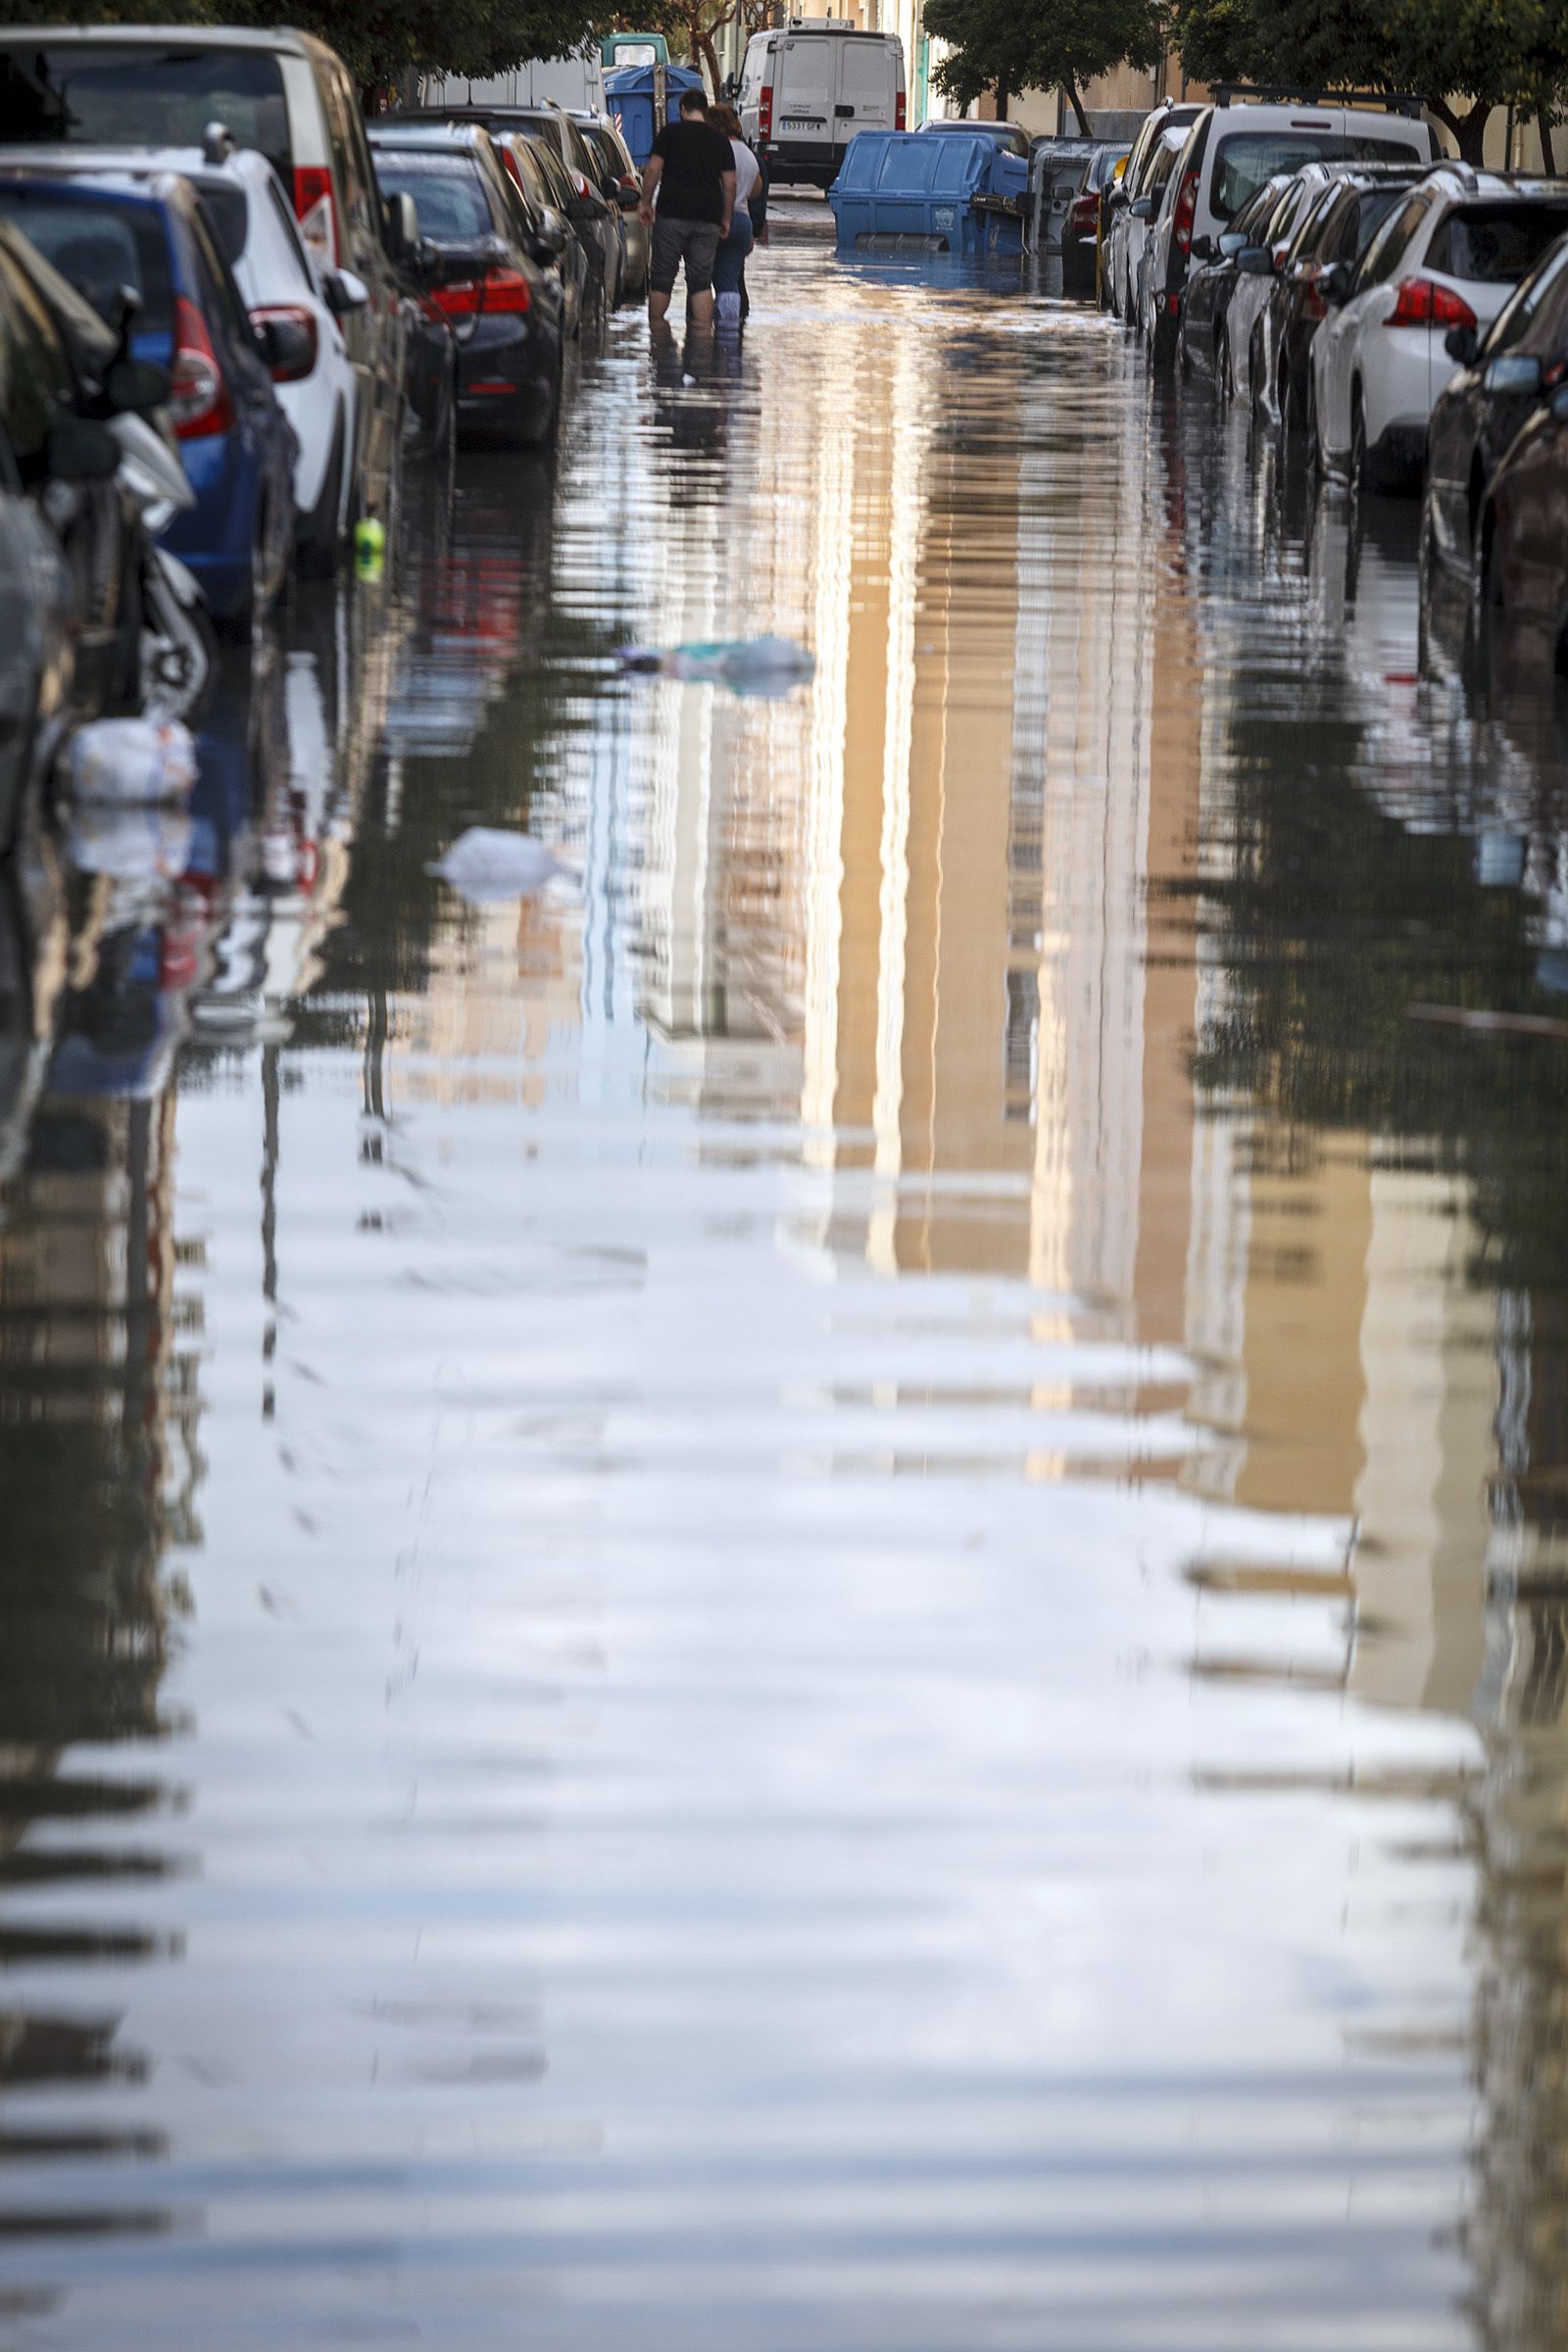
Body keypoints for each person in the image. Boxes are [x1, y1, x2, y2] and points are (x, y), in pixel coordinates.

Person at [639, 88, 735, 331]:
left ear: (682, 109)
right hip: (708, 216)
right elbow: (730, 184)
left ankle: (657, 334)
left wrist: (646, 203)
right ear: (704, 110)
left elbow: (652, 170)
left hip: (672, 213)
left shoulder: (670, 133)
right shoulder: (720, 140)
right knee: (701, 280)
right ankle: (703, 338)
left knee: (662, 277)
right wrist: (725, 218)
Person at [709, 104, 760, 328]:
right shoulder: (748, 154)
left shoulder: (716, 149)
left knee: (700, 280)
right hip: (742, 222)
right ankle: (730, 332)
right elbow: (756, 190)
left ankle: (697, 332)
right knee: (729, 280)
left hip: (717, 218)